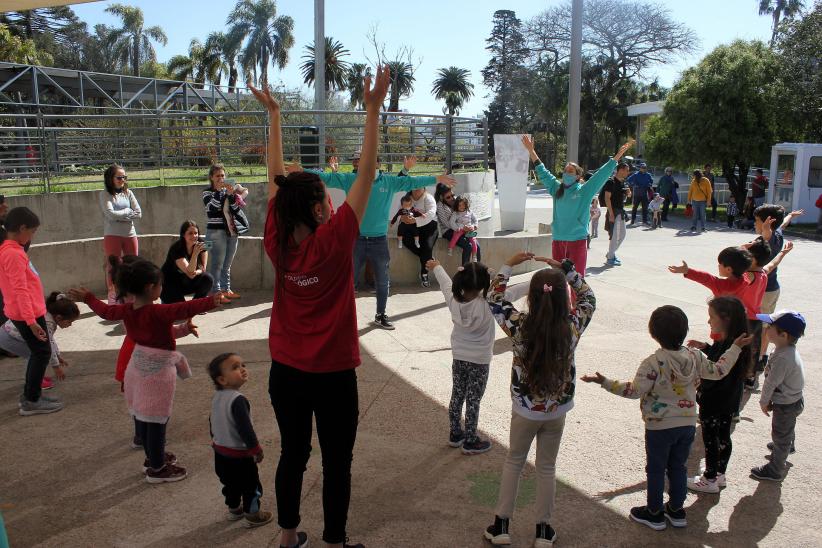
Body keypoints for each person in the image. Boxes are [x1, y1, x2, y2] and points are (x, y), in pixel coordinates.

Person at [249, 65, 390, 548]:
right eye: (327, 201)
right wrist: (372, 110)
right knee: (337, 462)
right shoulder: (333, 242)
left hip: (285, 371)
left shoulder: (276, 241)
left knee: (293, 453)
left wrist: (274, 117)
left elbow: (275, 182)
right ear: (316, 210)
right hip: (332, 375)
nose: (334, 205)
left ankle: (288, 537)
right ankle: (334, 541)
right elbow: (367, 173)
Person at [581, 305, 750, 531]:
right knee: (678, 467)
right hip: (687, 424)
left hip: (659, 427)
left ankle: (654, 513)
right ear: (685, 330)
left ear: (654, 334)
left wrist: (604, 382)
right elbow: (719, 370)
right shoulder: (695, 356)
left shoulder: (653, 363)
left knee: (656, 469)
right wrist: (735, 348)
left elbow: (633, 391)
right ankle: (676, 510)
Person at [69, 259, 220, 483]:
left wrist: (89, 298)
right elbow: (186, 308)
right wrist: (213, 300)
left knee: (145, 416)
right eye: (160, 284)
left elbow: (106, 311)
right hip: (157, 375)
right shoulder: (157, 312)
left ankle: (152, 457)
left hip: (137, 368)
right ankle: (157, 469)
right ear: (151, 288)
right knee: (157, 421)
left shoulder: (128, 310)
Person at [483, 252, 595, 547]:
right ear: (563, 299)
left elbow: (494, 298)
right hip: (557, 409)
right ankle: (544, 530)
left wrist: (509, 265)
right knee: (547, 467)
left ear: (531, 298)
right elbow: (589, 298)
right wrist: (568, 270)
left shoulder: (519, 325)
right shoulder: (572, 326)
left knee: (514, 461)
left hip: (525, 410)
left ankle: (501, 525)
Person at [308, 154, 453, 326]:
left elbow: (413, 182)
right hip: (356, 239)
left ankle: (381, 315)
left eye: (370, 162)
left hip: (379, 241)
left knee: (383, 282)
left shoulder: (388, 182)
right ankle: (340, 317)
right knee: (347, 281)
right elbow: (325, 177)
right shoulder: (350, 179)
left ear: (378, 164)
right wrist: (301, 171)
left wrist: (436, 178)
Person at [522, 136, 633, 275]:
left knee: (577, 279)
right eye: (565, 171)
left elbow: (601, 175)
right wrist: (531, 151)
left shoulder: (585, 191)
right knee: (558, 279)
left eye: (570, 171)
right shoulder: (556, 188)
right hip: (558, 239)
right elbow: (543, 173)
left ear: (577, 176)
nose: (566, 173)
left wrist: (616, 157)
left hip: (577, 240)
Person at [427, 260, 495, 454]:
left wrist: (437, 267)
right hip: (480, 360)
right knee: (474, 399)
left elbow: (445, 283)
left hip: (459, 357)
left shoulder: (453, 299)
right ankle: (471, 441)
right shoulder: (488, 302)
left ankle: (455, 434)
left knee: (457, 394)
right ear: (484, 283)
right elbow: (510, 288)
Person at [0, 207, 63, 416]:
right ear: (22, 228)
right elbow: (20, 289)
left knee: (40, 352)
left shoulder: (11, 250)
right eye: (32, 231)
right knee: (41, 353)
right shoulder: (12, 254)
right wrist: (31, 321)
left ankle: (31, 395)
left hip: (26, 312)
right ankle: (31, 400)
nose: (32, 236)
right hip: (27, 314)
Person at [685, 296, 751, 493]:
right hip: (730, 399)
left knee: (711, 438)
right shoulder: (737, 341)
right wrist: (706, 347)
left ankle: (709, 479)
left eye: (712, 317)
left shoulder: (733, 343)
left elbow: (718, 368)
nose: (709, 321)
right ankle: (720, 473)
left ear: (726, 318)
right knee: (723, 437)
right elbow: (723, 359)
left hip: (715, 398)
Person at [208, 352, 273, 528]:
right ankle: (253, 514)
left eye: (243, 364)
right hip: (240, 456)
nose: (243, 369)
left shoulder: (217, 398)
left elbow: (212, 421)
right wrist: (255, 449)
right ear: (222, 380)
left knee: (230, 484)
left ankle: (234, 509)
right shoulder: (237, 400)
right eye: (235, 367)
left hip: (220, 452)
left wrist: (216, 440)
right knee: (251, 486)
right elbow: (245, 429)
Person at [750, 310, 805, 482]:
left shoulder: (783, 358)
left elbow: (770, 383)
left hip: (786, 404)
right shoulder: (785, 349)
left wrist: (763, 402)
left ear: (783, 334)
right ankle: (788, 446)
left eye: (770, 326)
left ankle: (775, 469)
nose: (766, 328)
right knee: (787, 429)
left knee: (780, 435)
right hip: (793, 399)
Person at [0, 292, 79, 393]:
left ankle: (37, 378)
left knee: (39, 353)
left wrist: (58, 356)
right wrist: (56, 367)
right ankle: (36, 382)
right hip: (8, 337)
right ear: (59, 317)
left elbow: (50, 341)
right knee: (37, 355)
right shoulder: (48, 323)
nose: (70, 325)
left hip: (6, 334)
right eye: (69, 322)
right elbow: (49, 344)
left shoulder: (48, 316)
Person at [203, 163, 249, 303]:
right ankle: (215, 293)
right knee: (216, 264)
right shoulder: (207, 192)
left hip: (231, 231)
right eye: (217, 176)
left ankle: (226, 289)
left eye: (223, 175)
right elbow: (212, 209)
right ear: (211, 177)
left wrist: (231, 195)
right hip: (215, 232)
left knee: (227, 264)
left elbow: (235, 209)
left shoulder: (229, 191)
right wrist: (219, 192)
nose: (221, 178)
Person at [99, 164, 142, 304]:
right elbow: (110, 214)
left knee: (133, 264)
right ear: (110, 178)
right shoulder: (104, 194)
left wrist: (121, 215)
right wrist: (127, 212)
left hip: (130, 233)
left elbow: (139, 213)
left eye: (124, 177)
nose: (122, 179)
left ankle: (132, 294)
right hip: (112, 234)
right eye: (119, 177)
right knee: (113, 266)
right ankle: (113, 296)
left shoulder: (128, 193)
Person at [160, 220, 213, 304]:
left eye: (196, 233)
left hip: (185, 281)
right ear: (183, 235)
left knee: (207, 278)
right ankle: (168, 300)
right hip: (169, 284)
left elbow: (203, 268)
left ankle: (196, 305)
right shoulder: (177, 248)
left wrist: (197, 272)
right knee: (181, 310)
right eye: (190, 233)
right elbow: (190, 272)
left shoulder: (202, 244)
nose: (194, 236)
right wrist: (195, 253)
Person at [402, 186, 440, 287]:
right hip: (413, 228)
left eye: (419, 187)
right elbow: (401, 211)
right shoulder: (407, 198)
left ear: (424, 189)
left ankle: (424, 273)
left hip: (430, 228)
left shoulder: (429, 198)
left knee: (427, 247)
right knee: (406, 241)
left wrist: (416, 220)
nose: (416, 189)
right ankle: (427, 257)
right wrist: (404, 218)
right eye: (414, 187)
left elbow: (431, 214)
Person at [435, 184, 481, 266]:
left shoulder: (457, 200)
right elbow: (447, 224)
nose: (452, 198)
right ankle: (465, 273)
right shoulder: (439, 206)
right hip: (449, 231)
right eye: (448, 197)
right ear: (441, 197)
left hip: (464, 229)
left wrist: (473, 225)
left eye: (452, 195)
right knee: (468, 246)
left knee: (477, 246)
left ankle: (478, 270)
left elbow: (469, 213)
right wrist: (463, 227)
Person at [604, 162, 631, 266]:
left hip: (621, 211)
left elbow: (627, 196)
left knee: (622, 235)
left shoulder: (623, 182)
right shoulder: (611, 182)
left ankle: (610, 254)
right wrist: (611, 214)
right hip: (614, 211)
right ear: (620, 170)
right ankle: (610, 257)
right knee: (614, 235)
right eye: (627, 170)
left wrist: (628, 193)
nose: (628, 173)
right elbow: (607, 198)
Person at [447, 196, 479, 262]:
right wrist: (457, 228)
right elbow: (451, 222)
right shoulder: (456, 213)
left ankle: (474, 256)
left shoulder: (470, 212)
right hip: (460, 229)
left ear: (466, 204)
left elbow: (475, 219)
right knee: (455, 237)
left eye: (463, 205)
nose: (462, 207)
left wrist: (474, 226)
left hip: (469, 230)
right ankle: (450, 248)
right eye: (459, 205)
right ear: (456, 206)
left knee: (473, 241)